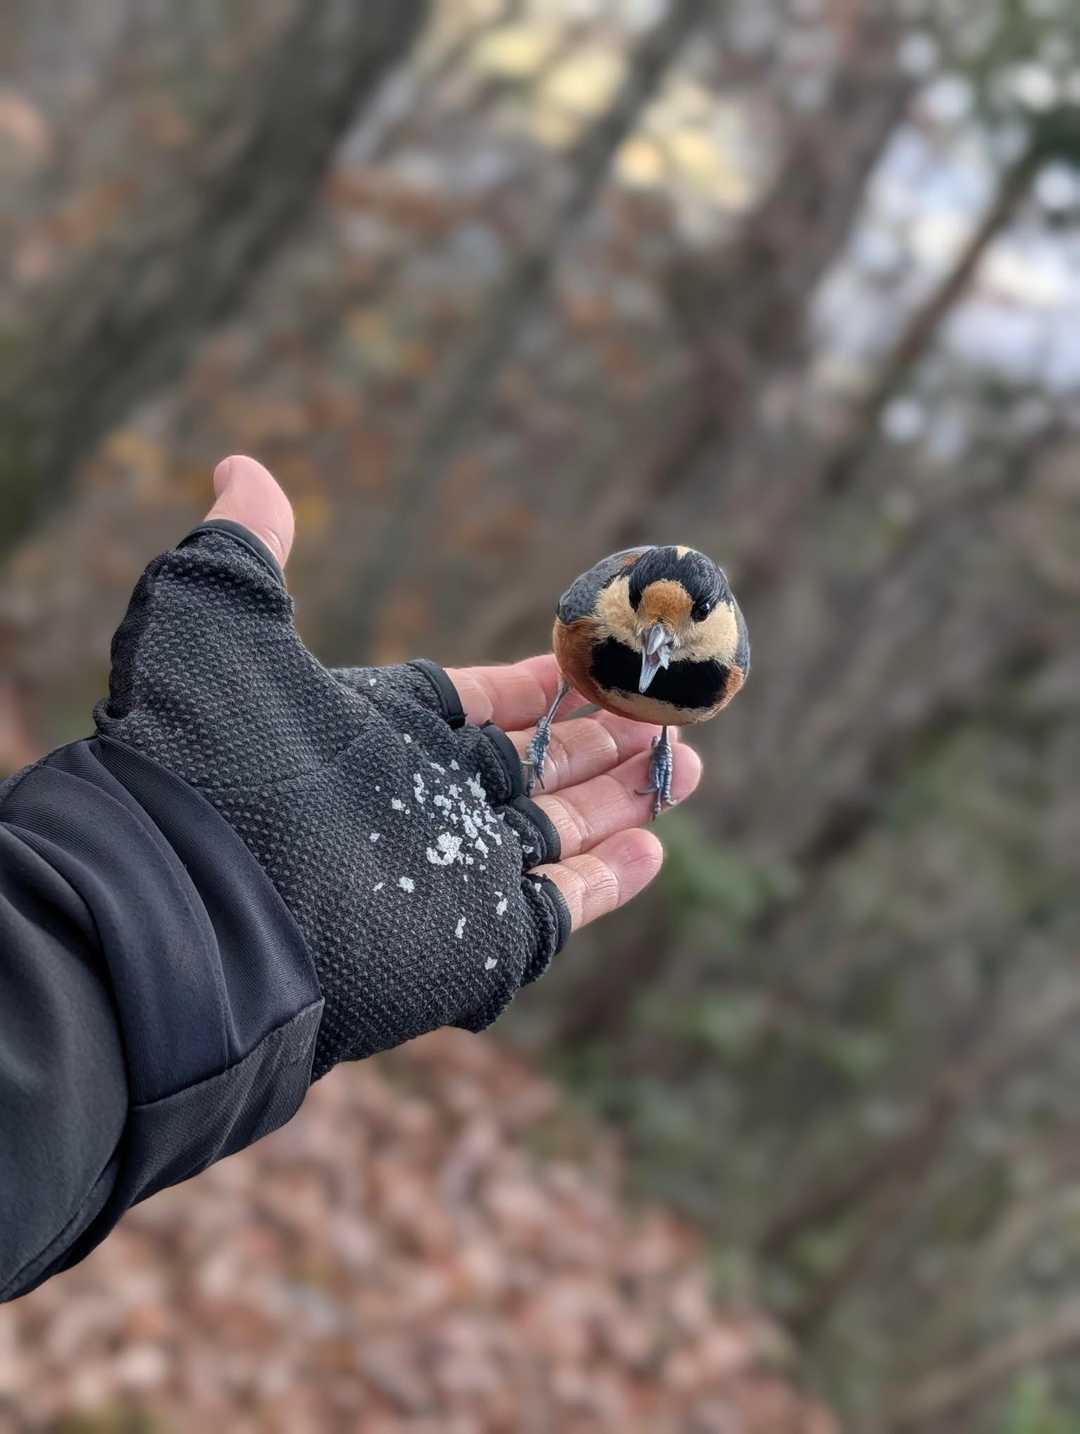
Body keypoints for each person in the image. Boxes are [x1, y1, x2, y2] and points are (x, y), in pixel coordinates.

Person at [0, 456, 701, 1302]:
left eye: (680, 634)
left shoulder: (717, 666)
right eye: (645, 622)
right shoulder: (592, 614)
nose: (656, 647)